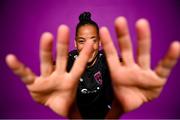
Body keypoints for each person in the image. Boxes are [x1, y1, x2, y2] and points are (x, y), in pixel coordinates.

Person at [5, 11, 180, 119]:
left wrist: (135, 73)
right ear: (75, 43)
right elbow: (52, 70)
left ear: (100, 43)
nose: (88, 46)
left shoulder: (108, 60)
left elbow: (122, 65)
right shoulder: (67, 61)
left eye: (93, 40)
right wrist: (48, 77)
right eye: (82, 41)